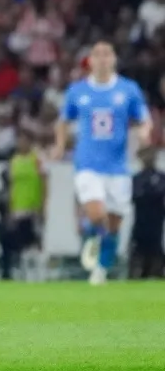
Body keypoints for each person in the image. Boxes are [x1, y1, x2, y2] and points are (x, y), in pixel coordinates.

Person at [53, 41, 152, 285]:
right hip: (87, 163)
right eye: (97, 54)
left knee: (115, 223)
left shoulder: (128, 89)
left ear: (114, 59)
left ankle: (101, 269)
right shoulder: (78, 91)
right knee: (97, 214)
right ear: (90, 61)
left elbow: (144, 118)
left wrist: (144, 132)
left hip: (118, 166)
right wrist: (60, 144)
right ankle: (91, 235)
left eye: (107, 54)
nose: (102, 58)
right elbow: (63, 121)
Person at [6, 133, 47, 281]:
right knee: (22, 240)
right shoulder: (14, 161)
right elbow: (12, 186)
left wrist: (43, 204)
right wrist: (11, 206)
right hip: (19, 207)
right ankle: (25, 272)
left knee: (35, 240)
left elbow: (44, 182)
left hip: (33, 206)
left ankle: (39, 272)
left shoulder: (37, 159)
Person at [129, 146, 165, 279]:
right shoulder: (136, 179)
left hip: (157, 225)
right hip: (140, 223)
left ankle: (157, 271)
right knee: (138, 251)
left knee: (156, 250)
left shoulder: (161, 178)